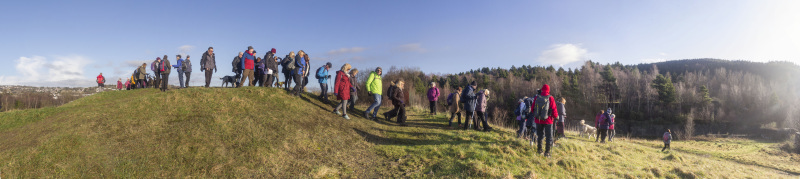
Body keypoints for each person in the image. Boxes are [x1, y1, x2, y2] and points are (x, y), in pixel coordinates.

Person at [533, 84, 558, 157]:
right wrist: (556, 117)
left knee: (540, 135)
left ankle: (539, 150)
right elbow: (554, 109)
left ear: (542, 89)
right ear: (548, 90)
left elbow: (532, 108)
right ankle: (547, 153)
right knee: (549, 136)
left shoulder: (537, 97)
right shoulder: (550, 98)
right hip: (548, 120)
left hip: (538, 120)